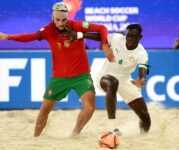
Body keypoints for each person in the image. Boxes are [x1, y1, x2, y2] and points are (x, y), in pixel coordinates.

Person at [0, 2, 114, 137]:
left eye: (64, 19)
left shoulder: (77, 26)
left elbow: (102, 28)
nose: (60, 23)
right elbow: (29, 37)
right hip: (59, 78)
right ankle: (35, 138)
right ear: (52, 17)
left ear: (68, 18)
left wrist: (105, 44)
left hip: (81, 76)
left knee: (90, 107)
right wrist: (8, 36)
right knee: (44, 111)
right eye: (57, 19)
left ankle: (75, 133)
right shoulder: (48, 30)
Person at [84, 24, 151, 133]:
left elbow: (143, 68)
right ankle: (112, 127)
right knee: (112, 82)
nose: (130, 39)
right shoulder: (116, 38)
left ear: (140, 37)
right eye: (128, 36)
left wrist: (141, 79)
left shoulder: (141, 53)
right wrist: (81, 34)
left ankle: (142, 137)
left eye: (134, 36)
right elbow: (99, 36)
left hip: (125, 80)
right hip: (105, 76)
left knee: (145, 117)